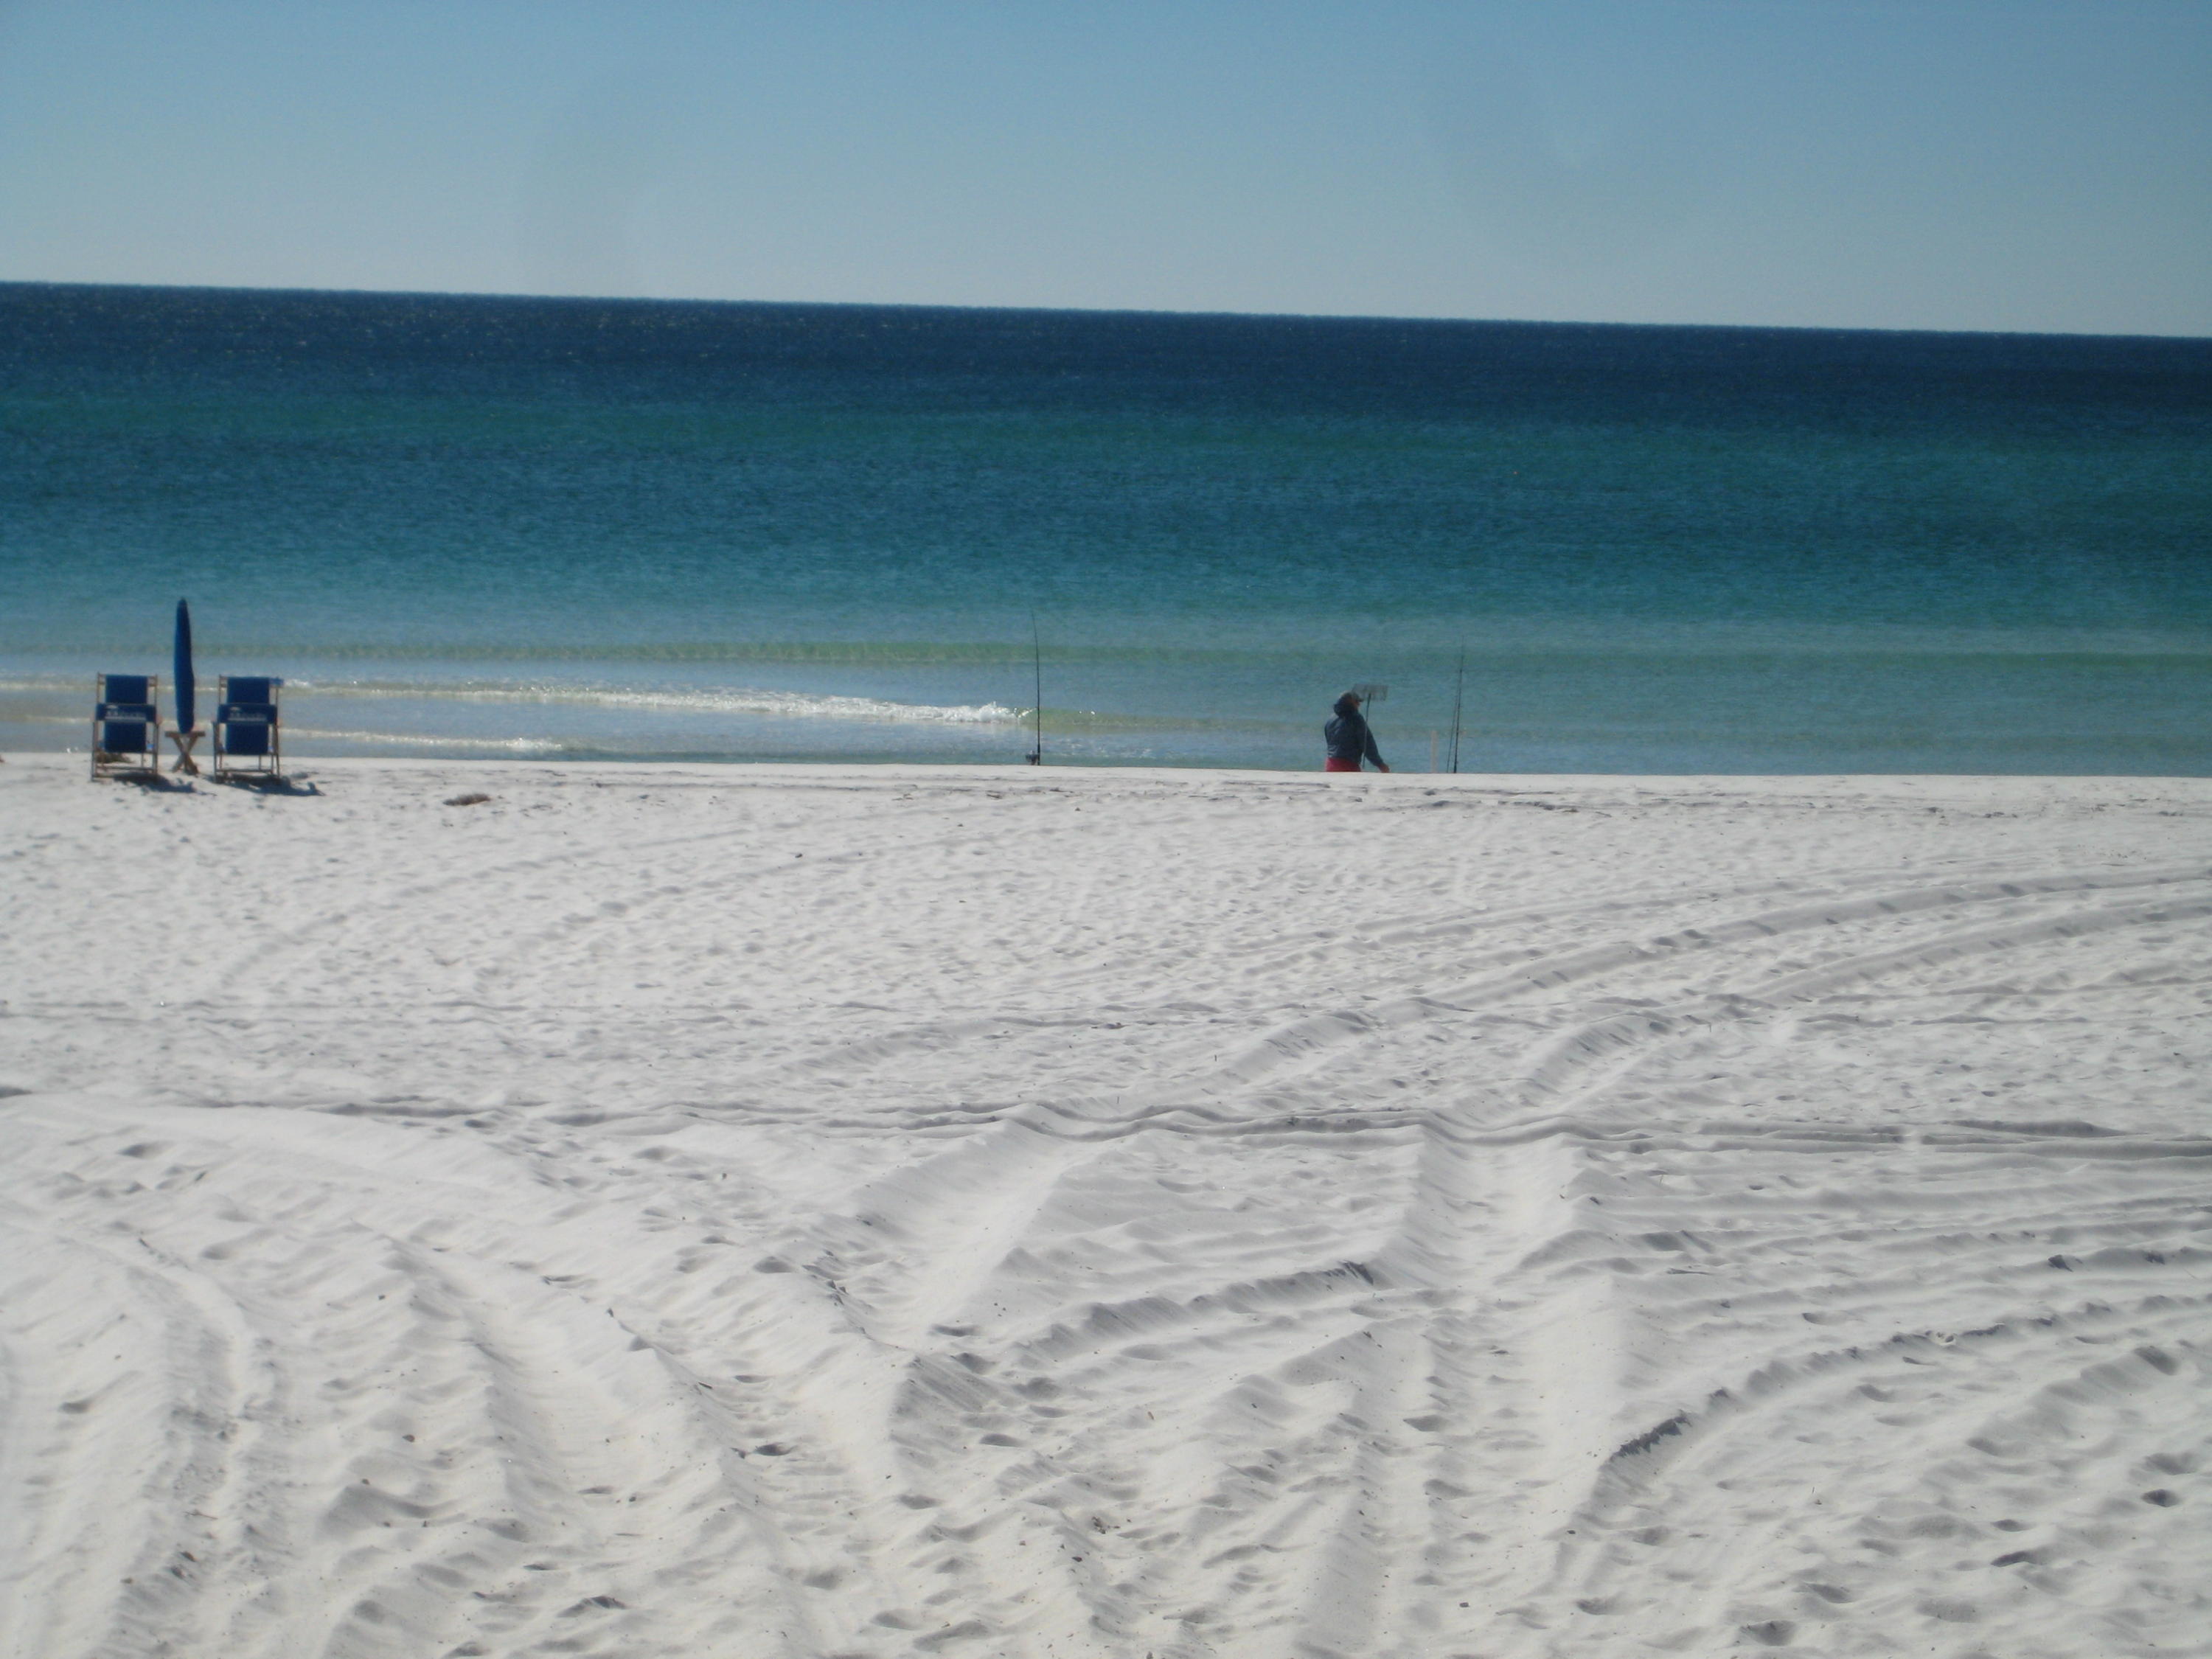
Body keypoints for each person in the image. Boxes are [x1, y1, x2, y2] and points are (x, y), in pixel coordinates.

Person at [1324, 691, 1388, 773]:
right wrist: (1380, 764)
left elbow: (1328, 740)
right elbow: (1367, 744)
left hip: (1330, 763)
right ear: (1350, 702)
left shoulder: (1331, 718)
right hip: (1348, 764)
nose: (1359, 704)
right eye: (1357, 701)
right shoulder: (1356, 718)